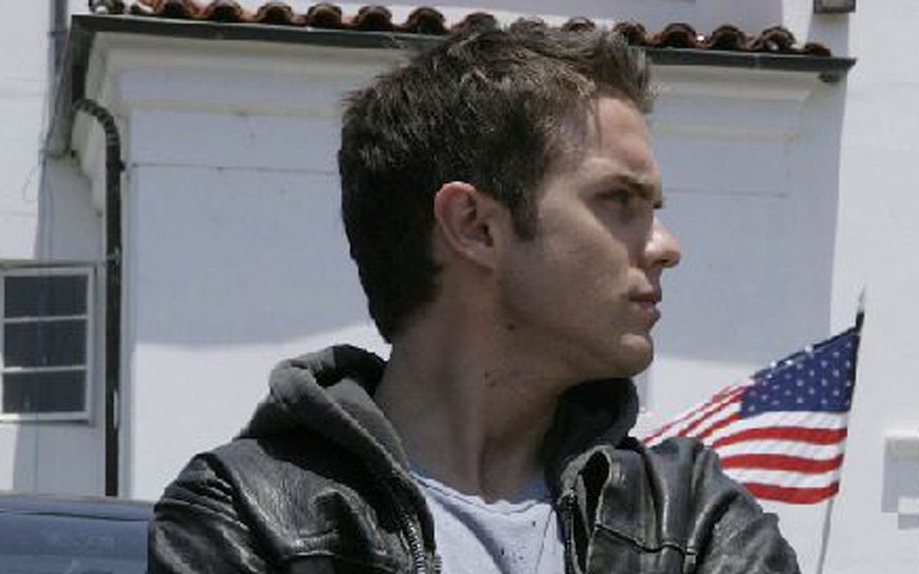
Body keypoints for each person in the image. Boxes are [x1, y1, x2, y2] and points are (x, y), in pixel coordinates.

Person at [149, 20, 800, 574]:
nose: (664, 246)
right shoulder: (245, 514)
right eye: (618, 200)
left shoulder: (692, 517)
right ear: (475, 226)